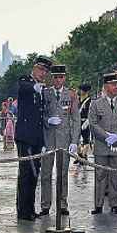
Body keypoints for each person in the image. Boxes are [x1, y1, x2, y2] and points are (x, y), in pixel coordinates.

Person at [15, 55, 52, 220]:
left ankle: (30, 208)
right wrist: (34, 87)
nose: (43, 73)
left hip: (36, 138)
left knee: (34, 174)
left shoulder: (41, 89)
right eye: (41, 70)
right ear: (34, 68)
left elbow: (40, 115)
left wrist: (43, 141)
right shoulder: (26, 81)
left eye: (45, 71)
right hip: (25, 137)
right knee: (26, 174)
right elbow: (23, 88)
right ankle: (23, 211)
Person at [89, 71, 117, 215]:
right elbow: (93, 124)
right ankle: (98, 204)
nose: (116, 87)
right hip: (101, 144)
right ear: (106, 86)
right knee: (100, 175)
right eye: (113, 84)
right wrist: (106, 135)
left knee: (115, 175)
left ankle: (115, 204)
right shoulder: (96, 104)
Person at [40, 64, 79, 216]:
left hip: (64, 139)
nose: (58, 80)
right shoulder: (45, 93)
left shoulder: (71, 95)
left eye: (60, 77)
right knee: (45, 174)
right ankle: (45, 205)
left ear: (64, 78)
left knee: (62, 174)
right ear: (52, 78)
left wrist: (75, 141)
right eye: (55, 77)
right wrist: (48, 120)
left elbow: (76, 119)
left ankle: (62, 204)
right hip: (48, 138)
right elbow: (40, 114)